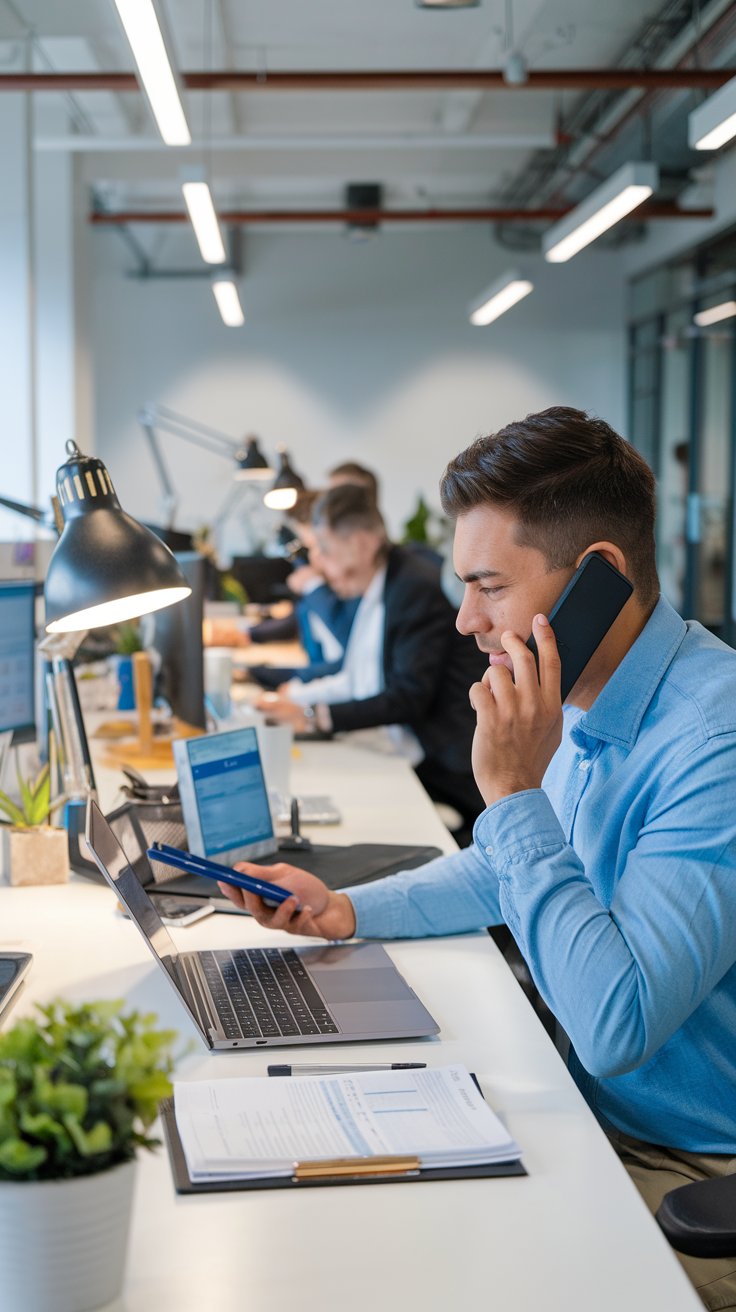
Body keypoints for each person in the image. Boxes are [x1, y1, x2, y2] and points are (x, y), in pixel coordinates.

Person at [220, 407, 736, 1312]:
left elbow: (615, 1028)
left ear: (598, 580)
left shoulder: (713, 741)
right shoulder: (586, 689)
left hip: (685, 1167)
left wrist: (512, 794)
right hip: (583, 1105)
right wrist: (350, 909)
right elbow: (512, 867)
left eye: (489, 586)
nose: (464, 621)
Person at [259, 482, 487, 841]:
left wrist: (314, 715)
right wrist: (300, 701)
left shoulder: (412, 587)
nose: (321, 564)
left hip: (452, 765)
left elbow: (408, 695)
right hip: (424, 750)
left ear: (362, 545)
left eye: (327, 550)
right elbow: (357, 674)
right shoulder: (386, 580)